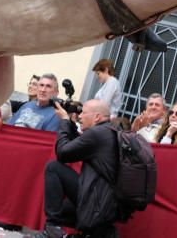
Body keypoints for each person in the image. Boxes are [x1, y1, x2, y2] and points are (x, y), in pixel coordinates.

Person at [32, 99, 119, 238]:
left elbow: (62, 154)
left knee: (53, 167)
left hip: (96, 202)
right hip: (105, 202)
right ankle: (94, 233)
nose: (80, 116)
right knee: (60, 209)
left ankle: (52, 229)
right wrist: (71, 124)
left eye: (84, 113)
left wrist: (65, 120)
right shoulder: (108, 131)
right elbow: (76, 145)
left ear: (97, 117)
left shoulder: (97, 134)